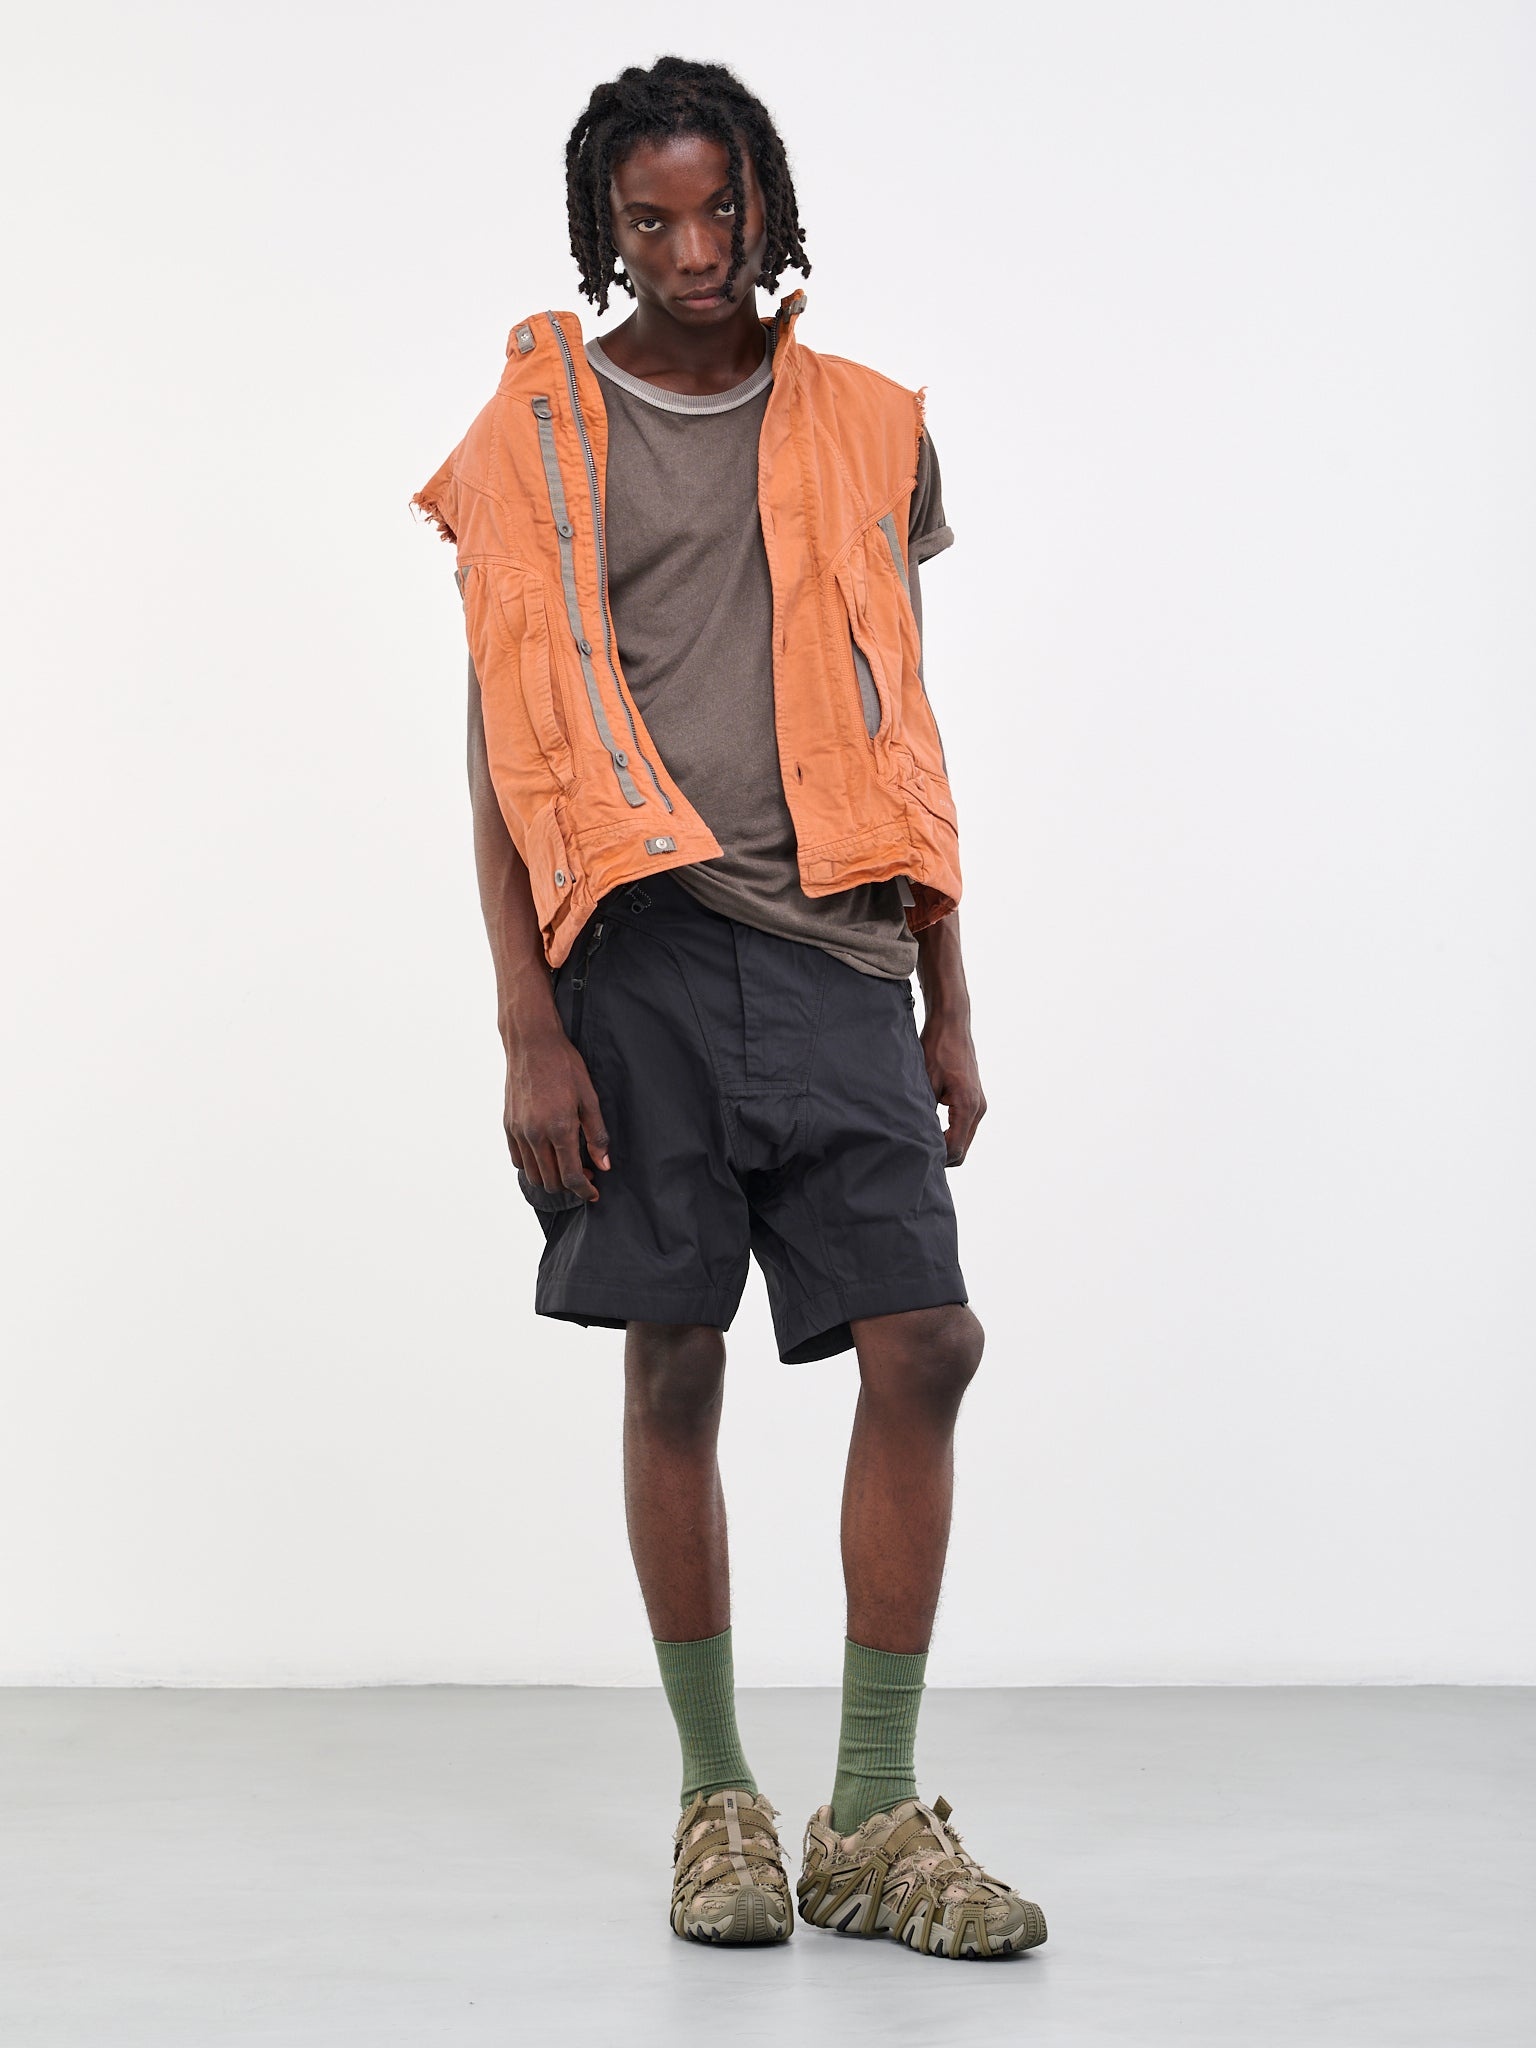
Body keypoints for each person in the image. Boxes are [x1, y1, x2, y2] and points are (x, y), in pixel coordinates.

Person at [412, 55, 1047, 1962]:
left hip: (843, 942)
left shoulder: (867, 426)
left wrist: (947, 992)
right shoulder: (537, 436)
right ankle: (716, 1803)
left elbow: (903, 714)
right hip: (642, 950)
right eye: (651, 220)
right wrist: (526, 1023)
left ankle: (872, 1816)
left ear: (768, 200)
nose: (694, 251)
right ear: (603, 233)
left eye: (720, 209)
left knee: (924, 1341)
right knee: (673, 1359)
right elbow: (501, 743)